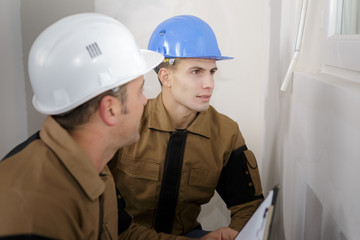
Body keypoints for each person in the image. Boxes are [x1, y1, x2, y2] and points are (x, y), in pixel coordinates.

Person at [0, 13, 238, 240]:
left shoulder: (95, 164)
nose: (146, 101)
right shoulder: (33, 207)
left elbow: (122, 232)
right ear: (110, 109)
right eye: (140, 91)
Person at [108, 15, 264, 238]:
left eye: (212, 72)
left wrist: (234, 235)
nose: (209, 84)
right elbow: (97, 206)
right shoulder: (129, 121)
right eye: (196, 71)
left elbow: (248, 206)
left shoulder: (225, 134)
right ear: (165, 77)